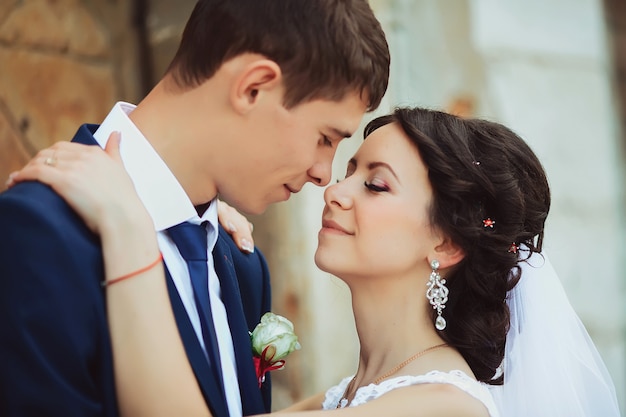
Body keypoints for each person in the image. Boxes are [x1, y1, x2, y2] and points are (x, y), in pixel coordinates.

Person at [10, 106, 620, 416]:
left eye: (375, 184)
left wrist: (129, 228)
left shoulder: (443, 405)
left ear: (446, 244)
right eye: (349, 166)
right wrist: (195, 227)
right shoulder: (352, 395)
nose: (333, 187)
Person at [0, 1, 390, 416]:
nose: (322, 174)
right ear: (253, 87)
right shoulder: (35, 233)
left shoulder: (244, 266)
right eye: (325, 138)